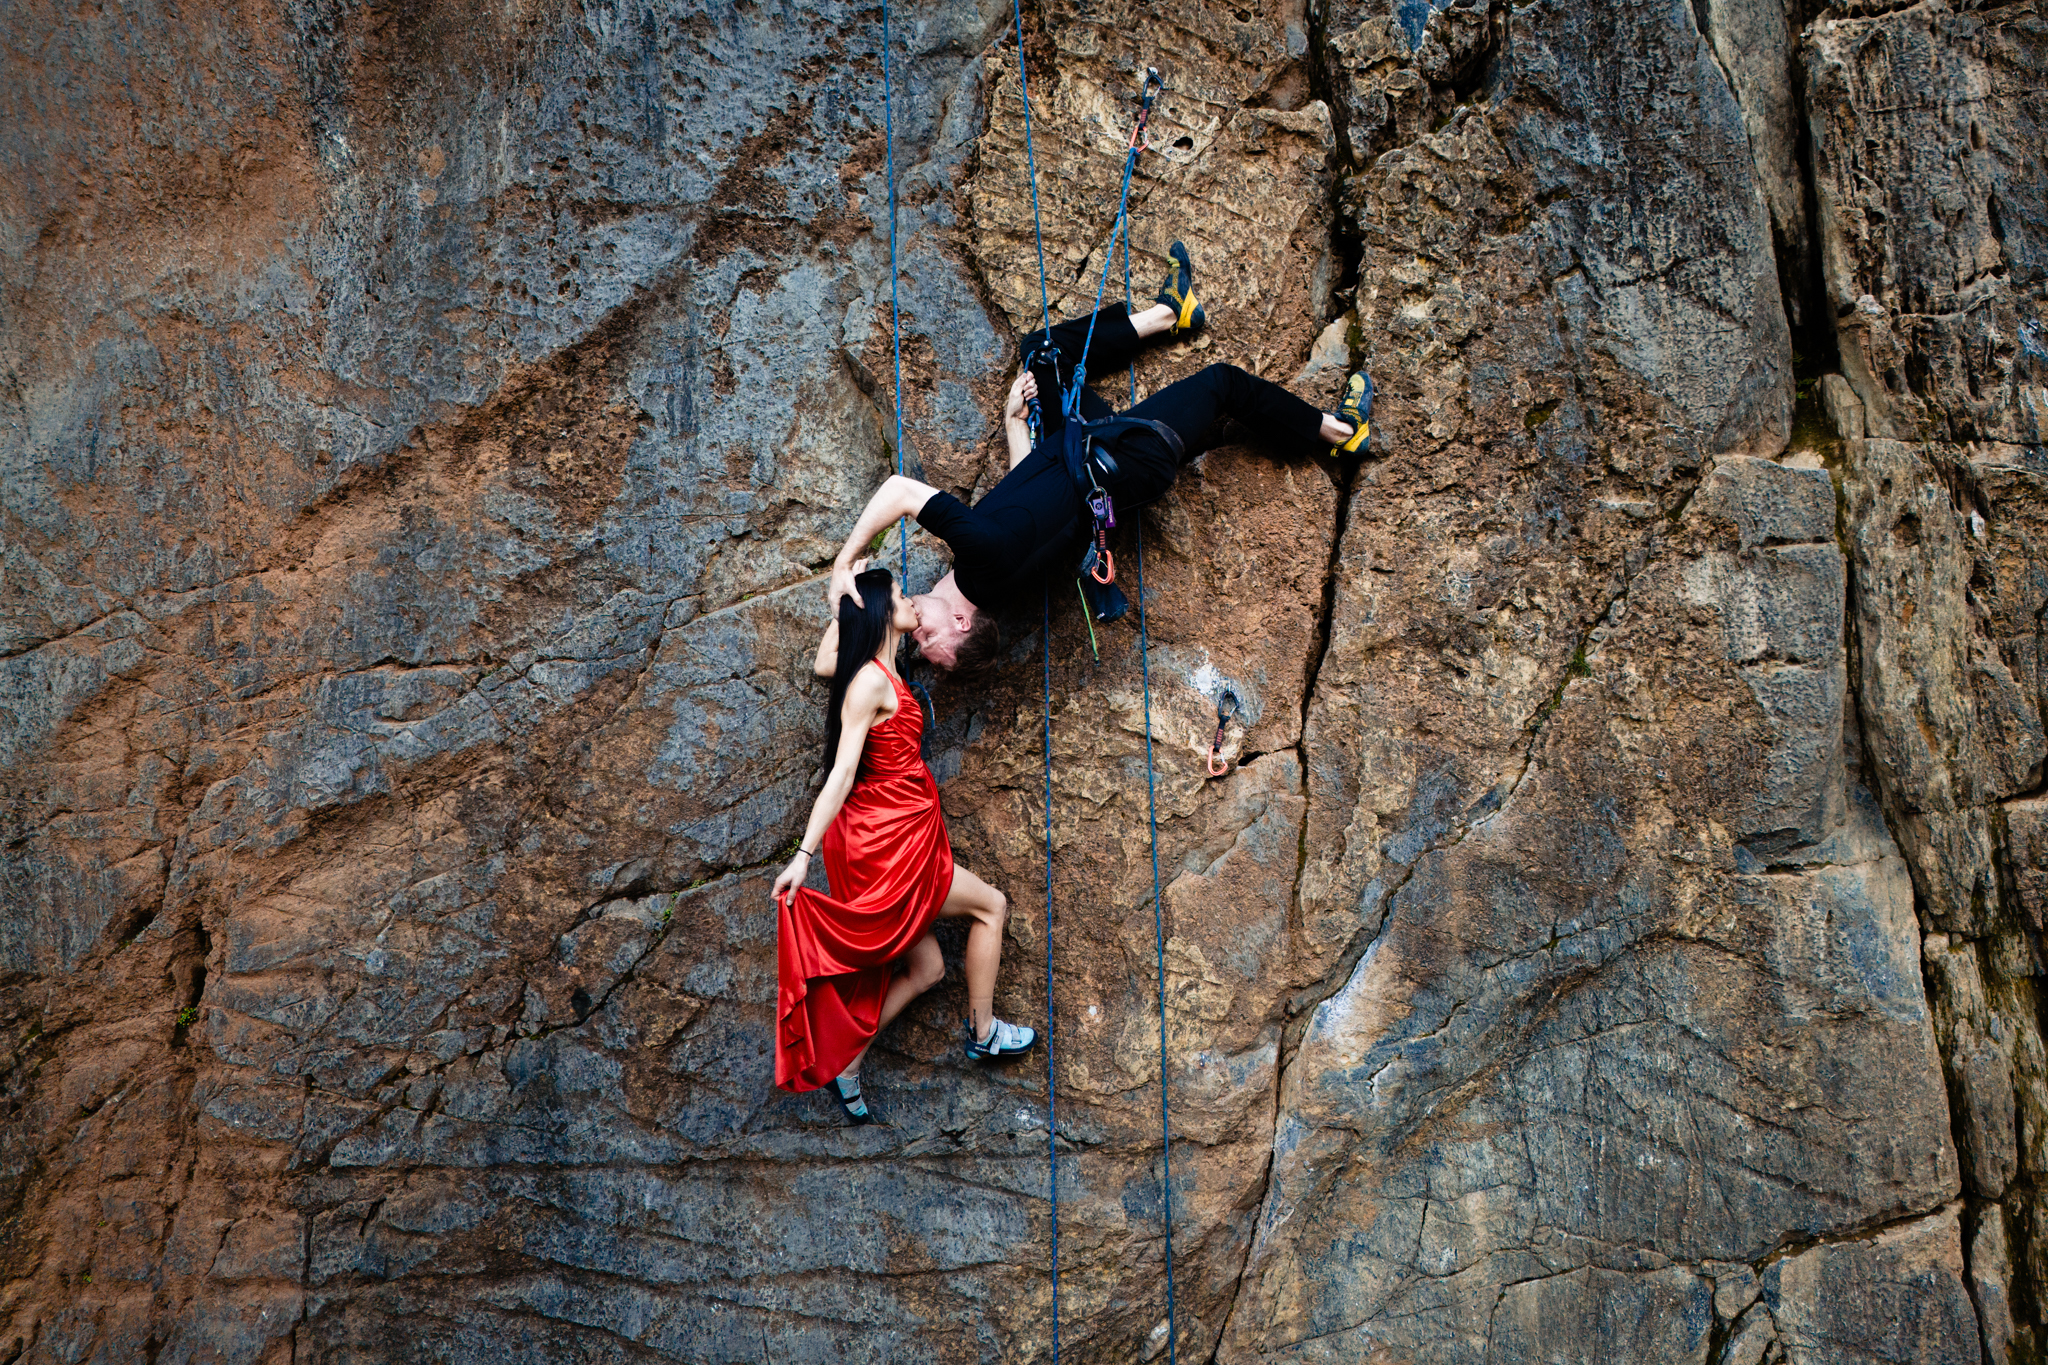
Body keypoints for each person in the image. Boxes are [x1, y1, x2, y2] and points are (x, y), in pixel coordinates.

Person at [825, 242, 1375, 668]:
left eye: (917, 644)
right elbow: (898, 491)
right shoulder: (981, 555)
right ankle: (1339, 432)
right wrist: (844, 562)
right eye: (931, 642)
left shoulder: (991, 570)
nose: (918, 637)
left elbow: (1029, 491)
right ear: (964, 622)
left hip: (1079, 451)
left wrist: (1013, 422)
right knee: (1223, 385)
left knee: (1042, 354)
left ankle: (1169, 314)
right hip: (1122, 456)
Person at [771, 564, 1037, 1124]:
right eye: (897, 594)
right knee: (991, 906)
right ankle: (984, 1032)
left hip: (897, 831)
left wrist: (852, 587)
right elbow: (842, 773)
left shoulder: (884, 666)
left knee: (928, 969)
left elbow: (825, 662)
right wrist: (802, 857)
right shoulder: (870, 680)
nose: (911, 596)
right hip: (892, 845)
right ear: (882, 614)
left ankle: (846, 1064)